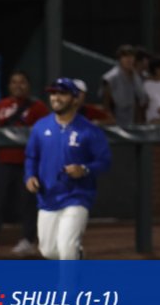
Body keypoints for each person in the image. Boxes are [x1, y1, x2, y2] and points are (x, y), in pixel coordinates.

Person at [24, 78, 112, 260]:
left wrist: (85, 169)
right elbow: (31, 156)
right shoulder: (41, 126)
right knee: (48, 251)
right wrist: (29, 176)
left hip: (77, 195)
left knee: (66, 247)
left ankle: (68, 288)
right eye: (53, 93)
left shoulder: (89, 130)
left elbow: (104, 161)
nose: (56, 97)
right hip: (48, 195)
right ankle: (78, 256)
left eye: (62, 93)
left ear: (74, 98)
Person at [0, 71, 49, 256]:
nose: (18, 85)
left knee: (27, 203)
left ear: (29, 85)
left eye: (22, 82)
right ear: (9, 86)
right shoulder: (2, 105)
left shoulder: (38, 107)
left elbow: (47, 135)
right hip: (4, 161)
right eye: (14, 82)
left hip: (28, 164)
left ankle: (28, 240)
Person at [100, 45, 146, 125]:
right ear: (119, 59)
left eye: (131, 56)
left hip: (133, 122)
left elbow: (142, 99)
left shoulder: (136, 76)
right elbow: (106, 104)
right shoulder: (111, 77)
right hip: (116, 123)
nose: (129, 59)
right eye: (125, 56)